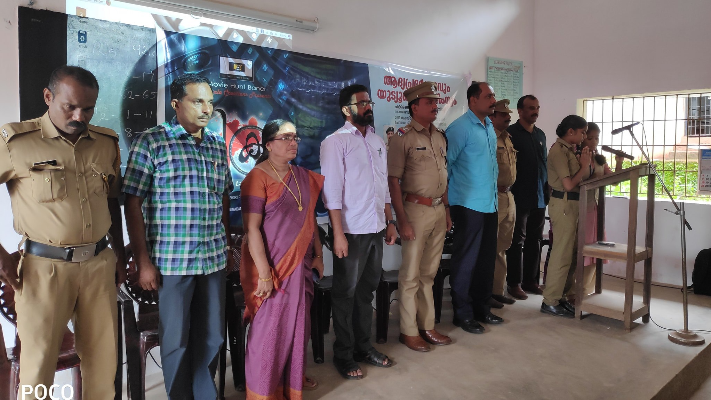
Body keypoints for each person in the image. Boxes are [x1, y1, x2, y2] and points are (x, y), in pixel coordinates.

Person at [0, 65, 125, 400]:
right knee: (38, 365)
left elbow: (112, 201)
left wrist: (119, 254)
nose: (79, 116)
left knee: (103, 363)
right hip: (44, 270)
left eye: (88, 108)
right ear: (48, 96)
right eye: (70, 106)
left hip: (99, 264)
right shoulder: (15, 142)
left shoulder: (105, 143)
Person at [123, 74, 234, 399]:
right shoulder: (152, 142)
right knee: (176, 341)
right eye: (197, 101)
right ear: (176, 104)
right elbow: (132, 201)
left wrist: (226, 243)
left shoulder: (216, 144)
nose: (206, 109)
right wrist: (143, 260)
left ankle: (204, 395)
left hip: (212, 258)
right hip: (173, 262)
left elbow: (223, 196)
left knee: (213, 336)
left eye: (210, 102)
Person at [240, 119, 325, 398]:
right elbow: (252, 229)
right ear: (268, 144)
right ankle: (262, 391)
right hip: (273, 269)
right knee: (269, 332)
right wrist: (265, 274)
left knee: (298, 327)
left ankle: (291, 382)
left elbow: (310, 219)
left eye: (295, 137)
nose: (293, 143)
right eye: (285, 137)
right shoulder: (257, 177)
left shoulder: (303, 176)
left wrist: (318, 254)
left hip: (301, 265)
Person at [321, 84, 396, 378]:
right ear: (346, 109)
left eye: (369, 102)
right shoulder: (335, 142)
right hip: (351, 232)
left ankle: (363, 347)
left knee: (366, 292)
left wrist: (390, 221)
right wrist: (338, 234)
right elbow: (332, 193)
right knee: (345, 294)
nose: (368, 107)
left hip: (376, 227)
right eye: (361, 103)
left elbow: (384, 187)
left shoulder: (377, 141)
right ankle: (344, 354)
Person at [388, 82, 453, 352]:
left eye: (435, 102)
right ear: (414, 107)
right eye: (429, 102)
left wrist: (446, 210)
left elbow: (444, 176)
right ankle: (409, 330)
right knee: (411, 275)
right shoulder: (402, 137)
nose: (435, 106)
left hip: (438, 210)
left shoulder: (439, 136)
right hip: (414, 211)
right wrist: (401, 220)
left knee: (429, 274)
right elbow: (393, 181)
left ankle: (427, 326)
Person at [445, 82, 503, 334]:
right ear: (473, 101)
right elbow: (445, 168)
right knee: (466, 261)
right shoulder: (459, 129)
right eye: (488, 96)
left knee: (486, 260)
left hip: (489, 204)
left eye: (493, 96)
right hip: (467, 205)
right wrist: (447, 206)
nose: (493, 100)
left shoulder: (489, 126)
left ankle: (482, 308)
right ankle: (463, 314)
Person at [541, 115, 591, 318]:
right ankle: (550, 301)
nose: (584, 136)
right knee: (561, 254)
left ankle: (561, 296)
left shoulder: (571, 150)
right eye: (582, 132)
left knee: (570, 254)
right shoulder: (558, 151)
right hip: (563, 203)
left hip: (573, 204)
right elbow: (569, 184)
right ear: (571, 131)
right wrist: (584, 166)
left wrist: (585, 164)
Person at [569, 122, 619, 299]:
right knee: (582, 249)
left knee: (595, 248)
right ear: (582, 138)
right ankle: (572, 291)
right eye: (589, 138)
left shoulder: (599, 159)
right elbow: (576, 182)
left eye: (596, 138)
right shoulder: (576, 157)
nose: (593, 142)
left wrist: (619, 163)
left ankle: (586, 289)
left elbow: (613, 180)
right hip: (580, 207)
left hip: (595, 209)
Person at [506, 95, 547, 299]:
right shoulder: (511, 134)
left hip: (539, 196)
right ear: (520, 111)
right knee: (517, 241)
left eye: (537, 108)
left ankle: (531, 281)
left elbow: (543, 165)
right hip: (519, 196)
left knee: (535, 240)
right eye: (531, 108)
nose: (535, 111)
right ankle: (514, 283)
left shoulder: (540, 134)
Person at [489, 99, 518, 307]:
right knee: (489, 247)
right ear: (492, 117)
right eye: (503, 114)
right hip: (493, 196)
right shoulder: (489, 137)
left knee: (502, 247)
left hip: (509, 196)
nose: (508, 117)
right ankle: (485, 292)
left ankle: (497, 290)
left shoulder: (507, 138)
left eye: (508, 114)